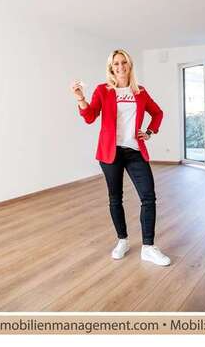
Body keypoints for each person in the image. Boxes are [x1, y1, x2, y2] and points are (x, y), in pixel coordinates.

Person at [70, 49, 171, 266]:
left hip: (135, 151)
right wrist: (80, 99)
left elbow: (157, 113)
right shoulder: (103, 90)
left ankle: (148, 247)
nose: (120, 66)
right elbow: (90, 117)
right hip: (110, 151)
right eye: (116, 63)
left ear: (129, 65)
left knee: (148, 197)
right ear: (111, 67)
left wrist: (150, 131)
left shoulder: (140, 92)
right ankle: (122, 241)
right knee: (115, 198)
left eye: (123, 62)